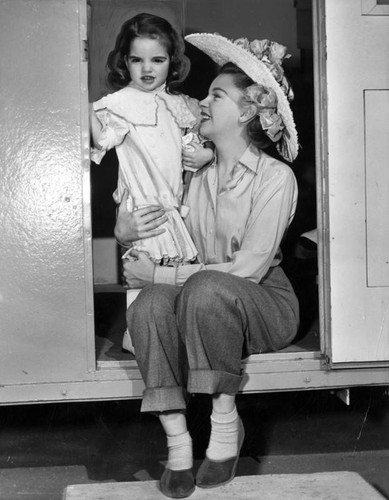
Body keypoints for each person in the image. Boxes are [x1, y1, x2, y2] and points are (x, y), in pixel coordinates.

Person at [115, 32, 300, 498]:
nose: (201, 99)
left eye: (215, 94)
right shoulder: (195, 176)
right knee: (151, 304)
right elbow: (165, 230)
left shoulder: (277, 178)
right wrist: (127, 234)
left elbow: (250, 267)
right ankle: (178, 442)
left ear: (245, 112)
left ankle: (224, 426)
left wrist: (160, 274)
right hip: (201, 299)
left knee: (201, 288)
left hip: (263, 305)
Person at [89, 13, 213, 352]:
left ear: (171, 61)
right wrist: (83, 110)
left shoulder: (182, 105)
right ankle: (136, 331)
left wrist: (208, 155)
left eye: (157, 59)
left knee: (174, 273)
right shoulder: (117, 105)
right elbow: (101, 141)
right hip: (143, 199)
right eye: (137, 59)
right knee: (143, 265)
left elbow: (199, 145)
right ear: (124, 62)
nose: (147, 69)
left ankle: (168, 332)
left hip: (177, 202)